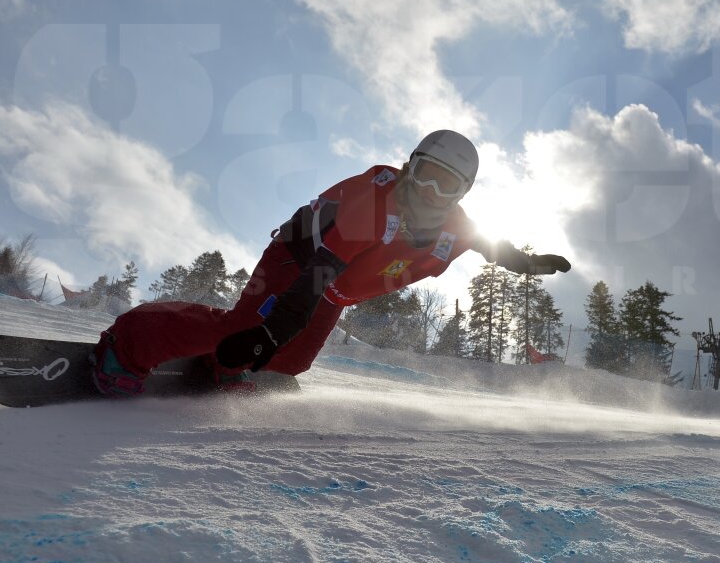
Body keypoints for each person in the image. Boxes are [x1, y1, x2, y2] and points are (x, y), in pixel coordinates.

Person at [90, 130, 572, 396]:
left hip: (337, 290)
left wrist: (528, 262)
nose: (429, 191)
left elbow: (494, 248)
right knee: (243, 329)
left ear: (461, 195)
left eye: (445, 186)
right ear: (409, 166)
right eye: (424, 175)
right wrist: (266, 332)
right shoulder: (373, 206)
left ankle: (224, 369)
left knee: (291, 363)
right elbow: (313, 279)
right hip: (301, 260)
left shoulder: (456, 229)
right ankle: (126, 346)